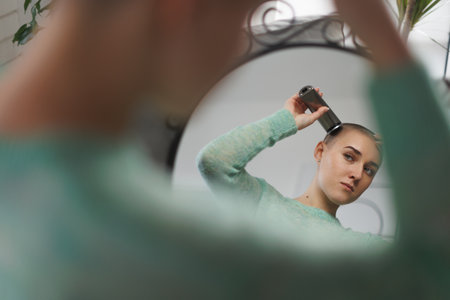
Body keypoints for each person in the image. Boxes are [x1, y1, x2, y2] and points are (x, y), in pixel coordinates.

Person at [0, 0, 448, 298]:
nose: (238, 42)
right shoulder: (126, 228)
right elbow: (431, 275)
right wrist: (379, 32)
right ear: (180, 9)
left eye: (371, 168)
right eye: (241, 16)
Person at [197, 90, 386, 247]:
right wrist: (284, 121)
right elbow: (215, 161)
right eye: (349, 156)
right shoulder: (260, 201)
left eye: (369, 170)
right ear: (320, 152)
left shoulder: (358, 246)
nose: (357, 174)